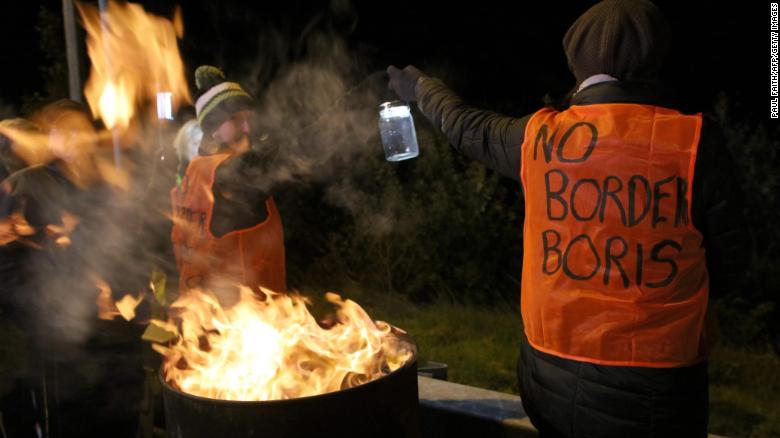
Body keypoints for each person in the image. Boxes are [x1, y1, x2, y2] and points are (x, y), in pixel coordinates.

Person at [387, 1, 751, 436]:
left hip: (549, 383)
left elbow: (466, 126)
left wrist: (421, 87)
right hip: (656, 392)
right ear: (654, 60)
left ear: (576, 62)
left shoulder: (539, 136)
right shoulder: (695, 141)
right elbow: (732, 262)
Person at [170, 65, 287, 302]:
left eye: (248, 119)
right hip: (242, 326)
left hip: (199, 321)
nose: (247, 128)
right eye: (235, 120)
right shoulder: (226, 176)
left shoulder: (193, 176)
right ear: (212, 131)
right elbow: (307, 145)